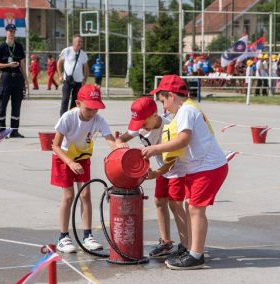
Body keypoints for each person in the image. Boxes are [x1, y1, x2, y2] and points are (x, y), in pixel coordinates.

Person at [143, 75, 229, 270]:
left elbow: (183, 140)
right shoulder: (186, 110)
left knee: (195, 209)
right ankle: (191, 249)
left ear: (172, 96)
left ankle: (196, 256)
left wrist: (154, 149)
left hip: (207, 167)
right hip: (199, 167)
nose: (163, 107)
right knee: (191, 206)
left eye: (163, 101)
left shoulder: (186, 111)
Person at [52, 84, 126, 253]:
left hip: (83, 158)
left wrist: (120, 151)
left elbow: (110, 141)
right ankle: (63, 237)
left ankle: (87, 236)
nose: (92, 112)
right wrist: (70, 163)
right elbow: (55, 146)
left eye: (96, 109)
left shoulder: (98, 120)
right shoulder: (68, 117)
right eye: (89, 108)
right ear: (78, 103)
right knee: (69, 196)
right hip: (64, 158)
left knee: (86, 195)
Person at [115, 97, 189, 258]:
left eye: (142, 122)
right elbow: (121, 138)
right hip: (163, 170)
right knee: (159, 201)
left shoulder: (169, 128)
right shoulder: (140, 126)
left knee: (175, 204)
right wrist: (120, 143)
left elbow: (172, 159)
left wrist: (157, 173)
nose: (140, 126)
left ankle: (186, 246)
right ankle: (166, 242)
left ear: (154, 115)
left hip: (177, 169)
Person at [0, 24, 28, 138]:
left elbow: (22, 64)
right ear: (6, 32)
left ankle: (14, 131)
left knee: (16, 105)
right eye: (10, 31)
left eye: (13, 31)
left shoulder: (18, 47)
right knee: (3, 104)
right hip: (6, 77)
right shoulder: (1, 47)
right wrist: (8, 64)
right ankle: (2, 131)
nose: (12, 33)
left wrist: (26, 80)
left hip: (18, 78)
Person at [58, 34, 89, 116]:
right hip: (67, 80)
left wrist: (85, 79)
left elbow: (86, 67)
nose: (80, 43)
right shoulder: (67, 51)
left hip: (78, 81)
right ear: (74, 42)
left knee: (75, 101)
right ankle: (63, 118)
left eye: (81, 42)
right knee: (65, 99)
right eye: (79, 41)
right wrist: (60, 75)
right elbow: (59, 63)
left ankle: (71, 118)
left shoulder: (83, 54)